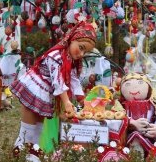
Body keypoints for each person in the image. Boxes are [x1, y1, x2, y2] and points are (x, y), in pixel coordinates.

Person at [10, 21, 97, 154]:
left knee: (38, 131)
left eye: (85, 51)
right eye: (81, 47)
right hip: (33, 90)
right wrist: (66, 102)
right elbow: (58, 81)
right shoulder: (56, 56)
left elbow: (73, 80)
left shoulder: (70, 61)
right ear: (71, 40)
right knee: (27, 131)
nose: (81, 54)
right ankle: (17, 161)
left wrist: (82, 99)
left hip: (44, 94)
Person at [119, 72, 156, 156]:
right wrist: (133, 123)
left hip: (151, 137)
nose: (134, 88)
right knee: (135, 136)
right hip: (128, 138)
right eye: (127, 84)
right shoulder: (120, 106)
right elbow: (116, 119)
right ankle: (135, 159)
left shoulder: (154, 104)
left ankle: (153, 155)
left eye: (140, 83)